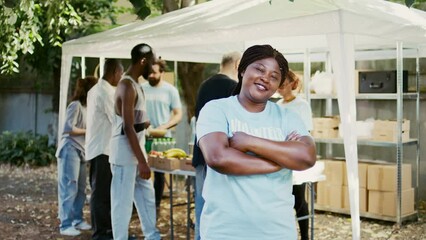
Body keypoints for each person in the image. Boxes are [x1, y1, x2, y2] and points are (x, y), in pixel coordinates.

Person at [196, 44, 317, 240]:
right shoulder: (217, 110)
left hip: (277, 232)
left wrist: (248, 141)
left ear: (278, 85)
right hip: (225, 232)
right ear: (243, 69)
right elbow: (218, 157)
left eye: (274, 76)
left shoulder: (288, 117)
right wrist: (279, 160)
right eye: (259, 69)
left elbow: (306, 156)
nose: (265, 78)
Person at [109, 43, 161, 240]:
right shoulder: (127, 85)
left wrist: (144, 123)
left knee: (146, 198)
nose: (154, 68)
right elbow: (127, 127)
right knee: (122, 204)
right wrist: (142, 161)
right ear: (143, 61)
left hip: (135, 152)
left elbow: (133, 123)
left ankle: (153, 236)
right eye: (152, 63)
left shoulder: (136, 84)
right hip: (124, 155)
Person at [191, 51, 241, 240]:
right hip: (221, 158)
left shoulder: (204, 86)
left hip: (201, 155)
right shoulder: (234, 87)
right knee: (220, 213)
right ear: (237, 64)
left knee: (202, 210)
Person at [85, 59, 124, 240]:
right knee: (101, 195)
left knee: (105, 194)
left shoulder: (97, 90)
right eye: (121, 73)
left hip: (101, 148)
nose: (122, 77)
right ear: (115, 72)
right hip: (102, 149)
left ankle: (108, 232)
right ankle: (102, 234)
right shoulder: (105, 92)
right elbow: (117, 119)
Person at [56, 76, 98, 236]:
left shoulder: (89, 108)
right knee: (69, 187)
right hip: (70, 149)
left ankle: (77, 219)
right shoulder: (75, 105)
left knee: (80, 188)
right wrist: (89, 132)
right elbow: (67, 128)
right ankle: (65, 224)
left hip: (82, 151)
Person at [141, 59, 182, 212]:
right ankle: (138, 206)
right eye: (149, 73)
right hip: (143, 136)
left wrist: (164, 126)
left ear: (162, 73)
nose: (151, 75)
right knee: (141, 171)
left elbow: (178, 115)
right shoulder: (141, 88)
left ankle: (156, 205)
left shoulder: (170, 90)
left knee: (159, 174)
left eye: (154, 73)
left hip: (163, 137)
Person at [277, 70, 313, 240]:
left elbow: (307, 133)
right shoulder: (276, 105)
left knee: (299, 198)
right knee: (282, 198)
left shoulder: (301, 105)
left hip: (296, 157)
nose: (280, 89)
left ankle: (304, 236)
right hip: (279, 156)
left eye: (283, 85)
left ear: (293, 84)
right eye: (278, 85)